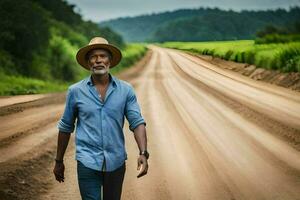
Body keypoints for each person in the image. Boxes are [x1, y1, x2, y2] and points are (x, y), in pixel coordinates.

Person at [53, 37, 149, 200]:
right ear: (88, 62)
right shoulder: (75, 91)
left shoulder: (125, 90)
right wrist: (59, 161)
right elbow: (66, 127)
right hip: (87, 161)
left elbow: (137, 122)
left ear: (110, 60)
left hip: (116, 161)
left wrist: (143, 153)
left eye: (103, 56)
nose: (98, 60)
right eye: (93, 56)